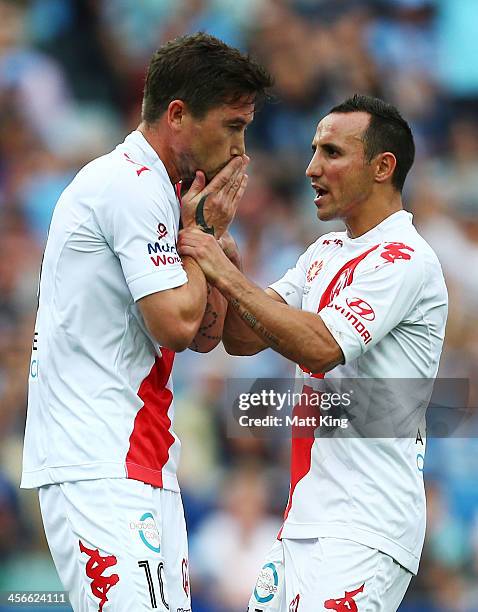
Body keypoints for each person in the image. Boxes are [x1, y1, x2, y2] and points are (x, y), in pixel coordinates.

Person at [20, 33, 272, 611]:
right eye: (232, 126)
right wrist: (204, 236)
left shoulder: (169, 193)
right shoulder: (128, 185)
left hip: (148, 456)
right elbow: (177, 325)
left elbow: (208, 334)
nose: (242, 150)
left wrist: (207, 242)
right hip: (96, 457)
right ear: (178, 114)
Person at [178, 94, 448, 611]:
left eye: (331, 152)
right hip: (305, 517)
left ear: (382, 167)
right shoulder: (323, 253)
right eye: (312, 150)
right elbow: (242, 337)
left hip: (365, 524)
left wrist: (227, 273)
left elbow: (323, 347)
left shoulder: (406, 258)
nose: (311, 168)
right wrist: (217, 242)